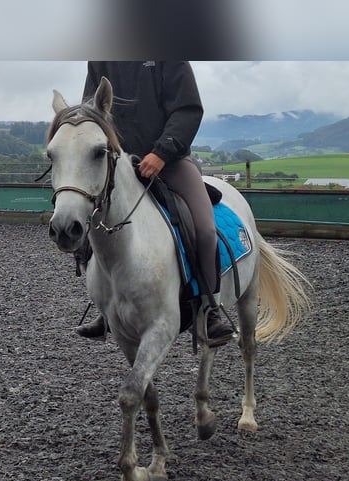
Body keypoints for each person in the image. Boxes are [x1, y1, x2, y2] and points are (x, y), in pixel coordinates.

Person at [77, 60, 235, 347]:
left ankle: (208, 309)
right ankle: (104, 307)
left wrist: (162, 152)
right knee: (89, 222)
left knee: (204, 230)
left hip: (169, 161)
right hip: (117, 162)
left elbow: (187, 110)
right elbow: (92, 112)